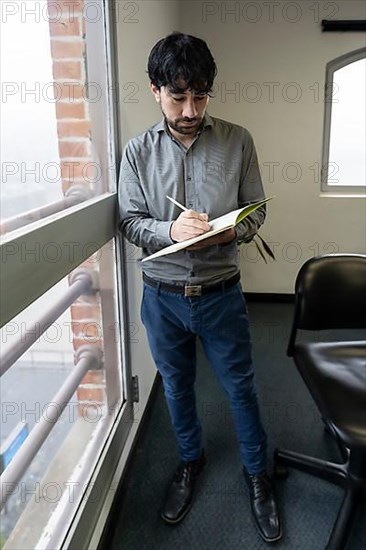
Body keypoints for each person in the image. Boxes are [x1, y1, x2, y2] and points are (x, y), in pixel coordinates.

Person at [118, 32, 281, 544]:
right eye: (178, 95)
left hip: (221, 293)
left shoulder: (238, 140)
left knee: (241, 389)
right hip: (162, 298)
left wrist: (236, 228)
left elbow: (258, 209)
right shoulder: (138, 152)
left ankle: (258, 474)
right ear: (154, 90)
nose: (190, 109)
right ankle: (190, 461)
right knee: (178, 387)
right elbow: (128, 219)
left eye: (201, 94)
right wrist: (169, 232)